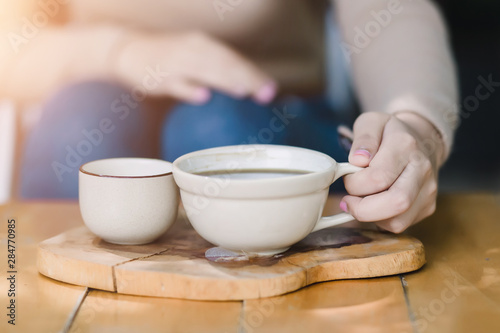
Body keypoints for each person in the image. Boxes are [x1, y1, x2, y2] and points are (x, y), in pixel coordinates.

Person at [0, 0, 458, 233]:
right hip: (93, 91)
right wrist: (125, 53)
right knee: (76, 128)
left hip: (273, 106)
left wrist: (416, 123)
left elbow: (389, 12)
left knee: (221, 133)